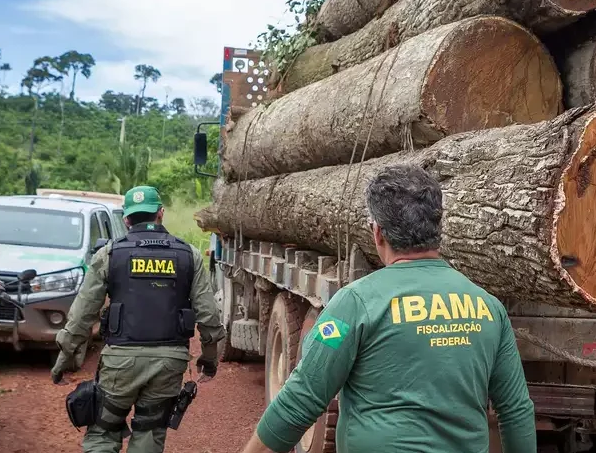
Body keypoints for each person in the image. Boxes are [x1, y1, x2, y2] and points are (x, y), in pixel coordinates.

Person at [240, 165, 536, 453]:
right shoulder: (488, 307)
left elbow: (301, 399)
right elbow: (515, 410)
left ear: (378, 233)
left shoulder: (355, 303)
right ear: (437, 228)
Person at [52, 185, 225, 453]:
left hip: (120, 361)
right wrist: (209, 359)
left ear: (126, 219)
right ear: (161, 214)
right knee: (149, 432)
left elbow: (82, 315)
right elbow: (210, 317)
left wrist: (64, 358)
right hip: (169, 363)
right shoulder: (188, 255)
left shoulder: (109, 255)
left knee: (103, 431)